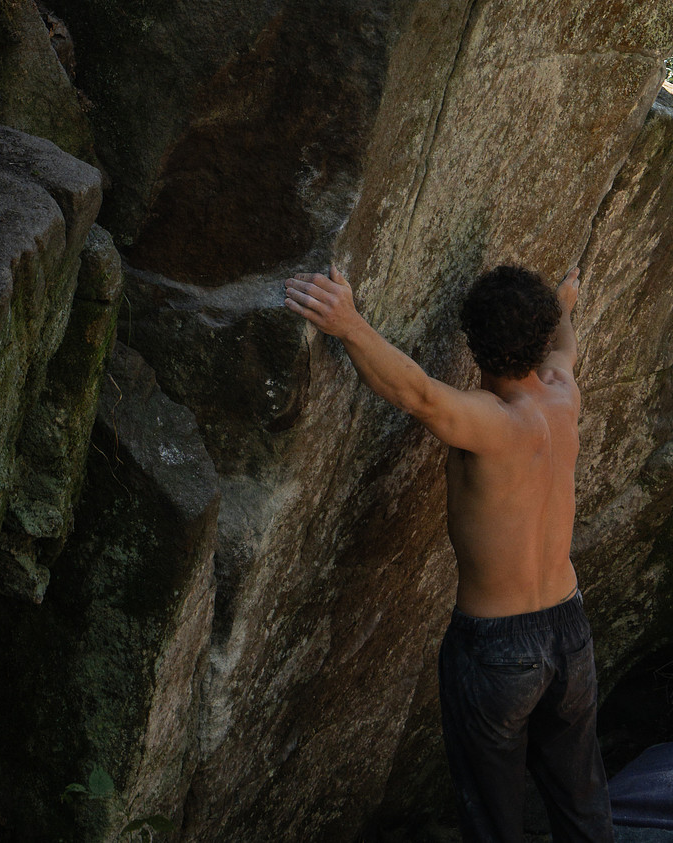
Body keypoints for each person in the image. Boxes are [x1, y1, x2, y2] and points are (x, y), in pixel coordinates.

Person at [283, 264, 613, 843]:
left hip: (497, 649)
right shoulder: (564, 394)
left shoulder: (491, 423)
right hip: (570, 631)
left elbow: (417, 393)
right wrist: (562, 309)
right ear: (539, 340)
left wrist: (349, 323)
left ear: (474, 343)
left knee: (493, 822)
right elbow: (566, 349)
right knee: (582, 805)